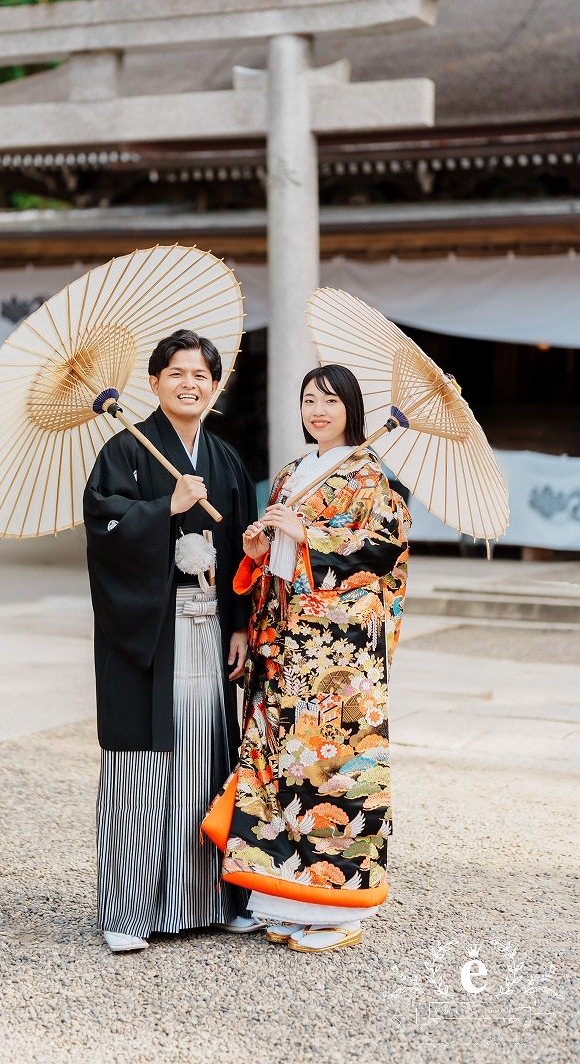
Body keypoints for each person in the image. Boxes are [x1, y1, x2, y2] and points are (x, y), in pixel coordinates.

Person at [218, 364, 409, 954]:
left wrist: (309, 536)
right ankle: (284, 898)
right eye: (308, 400)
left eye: (330, 400)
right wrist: (258, 550)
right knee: (278, 767)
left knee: (331, 769)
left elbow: (383, 551)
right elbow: (275, 565)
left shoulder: (370, 476)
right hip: (283, 644)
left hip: (337, 658)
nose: (318, 411)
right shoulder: (290, 474)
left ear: (351, 407)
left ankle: (338, 910)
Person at [83, 329, 259, 953]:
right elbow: (103, 528)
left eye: (201, 375)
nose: (190, 384)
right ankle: (128, 913)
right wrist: (165, 508)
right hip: (149, 634)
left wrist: (240, 623)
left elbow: (242, 550)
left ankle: (213, 900)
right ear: (154, 383)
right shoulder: (123, 451)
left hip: (210, 628)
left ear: (216, 385)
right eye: (177, 373)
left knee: (207, 757)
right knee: (141, 769)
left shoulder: (226, 460)